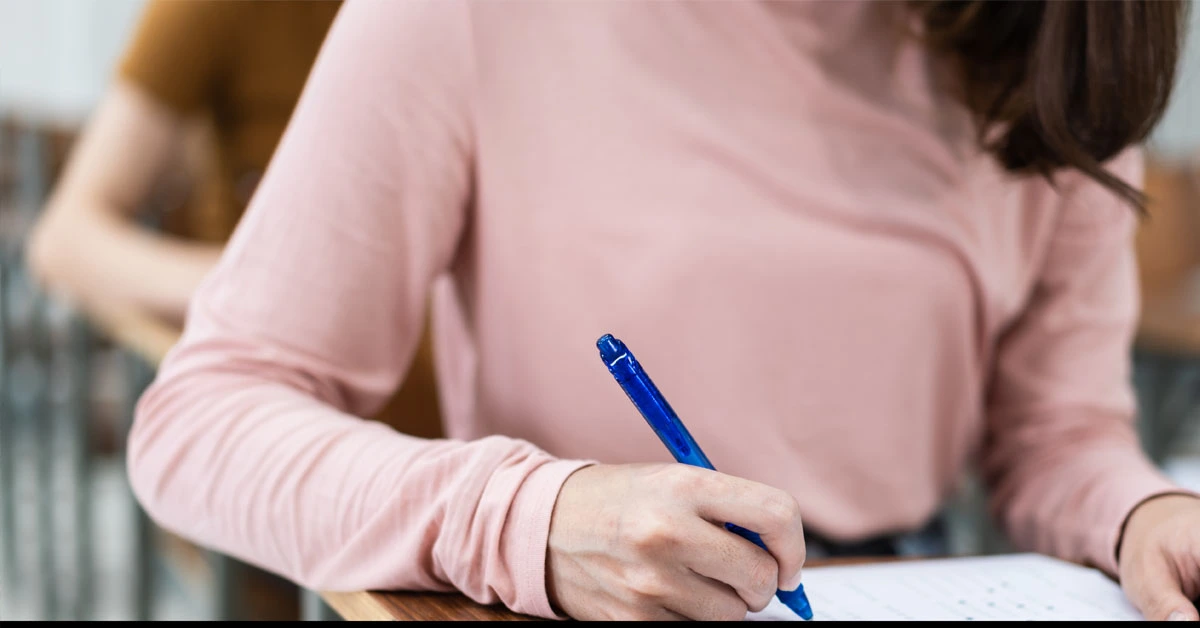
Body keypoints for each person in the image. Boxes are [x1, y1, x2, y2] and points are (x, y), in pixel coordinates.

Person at [126, 0, 1200, 622]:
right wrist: (529, 518)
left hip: (909, 582)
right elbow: (200, 422)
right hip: (550, 600)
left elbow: (1056, 435)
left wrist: (1143, 514)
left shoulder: (1050, 48)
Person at [23, 0, 442, 619]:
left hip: (482, 462)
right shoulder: (214, 9)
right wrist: (248, 286)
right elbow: (64, 240)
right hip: (297, 494)